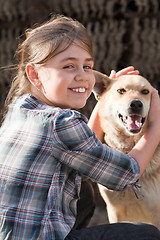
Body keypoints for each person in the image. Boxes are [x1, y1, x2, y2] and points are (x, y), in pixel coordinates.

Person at [0, 14, 160, 240]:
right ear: (35, 74)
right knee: (145, 234)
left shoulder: (20, 108)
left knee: (83, 194)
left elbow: (85, 149)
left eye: (87, 66)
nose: (83, 76)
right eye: (68, 66)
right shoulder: (61, 122)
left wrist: (107, 96)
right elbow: (126, 174)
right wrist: (155, 125)